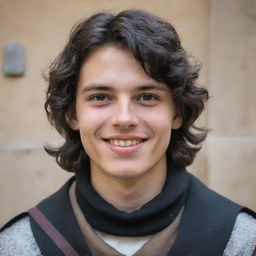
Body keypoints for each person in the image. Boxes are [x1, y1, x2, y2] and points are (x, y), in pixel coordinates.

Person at [1, 9, 256, 256]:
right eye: (100, 97)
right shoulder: (20, 246)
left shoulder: (243, 242)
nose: (124, 118)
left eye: (147, 96)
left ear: (176, 113)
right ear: (73, 114)